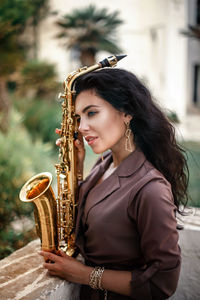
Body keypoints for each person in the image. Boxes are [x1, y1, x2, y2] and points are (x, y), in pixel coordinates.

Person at [39, 68, 188, 300]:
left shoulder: (151, 189)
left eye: (92, 113)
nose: (81, 127)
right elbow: (89, 224)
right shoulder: (105, 164)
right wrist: (76, 171)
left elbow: (162, 284)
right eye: (78, 118)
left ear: (127, 112)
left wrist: (85, 274)